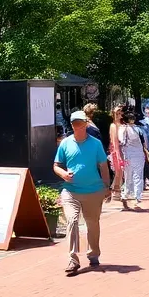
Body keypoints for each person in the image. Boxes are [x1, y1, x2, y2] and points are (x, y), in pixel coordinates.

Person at [53, 111, 111, 274]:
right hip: (71, 191)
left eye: (80, 123)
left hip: (93, 190)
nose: (78, 126)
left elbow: (103, 166)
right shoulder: (65, 144)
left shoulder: (96, 144)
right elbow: (56, 165)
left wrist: (107, 186)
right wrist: (63, 173)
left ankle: (93, 254)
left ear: (86, 123)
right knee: (72, 221)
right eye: (75, 123)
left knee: (92, 223)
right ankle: (73, 259)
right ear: (71, 125)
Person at [116, 107, 146, 209]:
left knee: (128, 176)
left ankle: (126, 195)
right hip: (138, 155)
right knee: (138, 176)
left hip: (127, 155)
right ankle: (136, 197)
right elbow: (144, 142)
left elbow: (120, 141)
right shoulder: (139, 129)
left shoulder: (122, 129)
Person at [107, 104, 126, 205]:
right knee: (118, 171)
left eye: (119, 113)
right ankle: (115, 191)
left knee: (121, 171)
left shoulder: (122, 125)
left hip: (123, 149)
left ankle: (117, 190)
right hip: (116, 150)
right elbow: (114, 141)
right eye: (116, 113)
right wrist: (117, 153)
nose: (118, 115)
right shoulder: (113, 126)